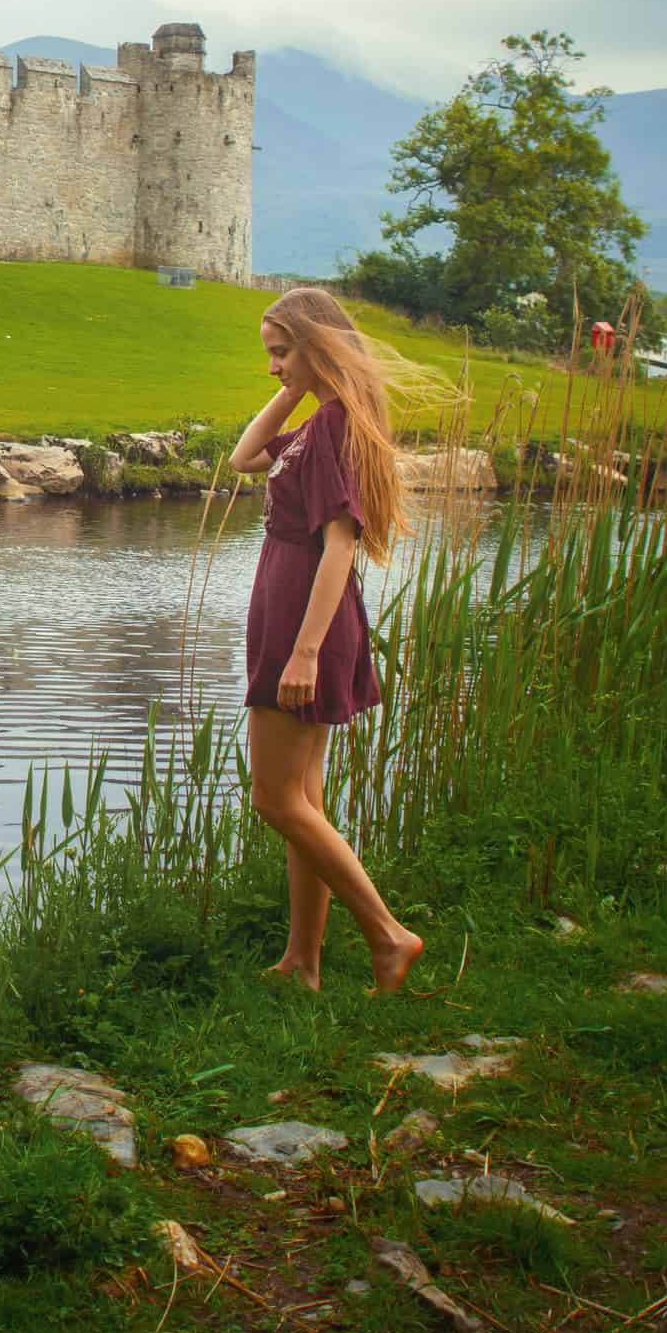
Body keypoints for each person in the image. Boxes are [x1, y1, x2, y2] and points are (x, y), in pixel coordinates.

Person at [229, 285, 425, 992]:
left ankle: (388, 934)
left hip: (303, 621)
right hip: (294, 613)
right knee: (301, 801)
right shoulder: (325, 421)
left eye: (282, 353)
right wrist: (295, 386)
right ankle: (301, 962)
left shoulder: (336, 426)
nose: (272, 366)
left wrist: (305, 652)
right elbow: (245, 457)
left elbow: (341, 545)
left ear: (317, 345)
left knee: (276, 802)